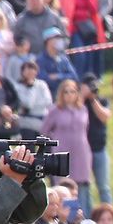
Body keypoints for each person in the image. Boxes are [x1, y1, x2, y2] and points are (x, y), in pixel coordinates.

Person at [41, 80, 93, 212]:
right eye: (66, 92)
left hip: (81, 153)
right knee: (62, 187)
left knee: (82, 188)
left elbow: (86, 129)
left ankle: (82, 219)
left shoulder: (83, 109)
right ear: (61, 94)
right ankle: (63, 218)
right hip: (62, 152)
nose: (69, 95)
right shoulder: (54, 110)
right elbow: (44, 130)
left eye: (72, 92)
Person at [59, 0, 105, 79]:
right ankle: (77, 80)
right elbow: (68, 9)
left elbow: (94, 10)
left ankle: (89, 82)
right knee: (80, 56)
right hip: (75, 28)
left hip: (88, 29)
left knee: (90, 56)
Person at [79, 74, 112, 205]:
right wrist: (82, 95)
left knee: (104, 187)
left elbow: (104, 116)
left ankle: (108, 213)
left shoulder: (102, 101)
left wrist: (93, 100)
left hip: (99, 149)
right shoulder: (79, 102)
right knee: (84, 186)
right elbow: (74, 111)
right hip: (82, 150)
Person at [11, 58, 51, 139]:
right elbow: (28, 104)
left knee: (48, 147)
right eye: (27, 69)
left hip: (42, 120)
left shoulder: (42, 84)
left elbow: (48, 102)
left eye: (32, 68)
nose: (30, 72)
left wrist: (35, 106)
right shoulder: (17, 87)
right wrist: (30, 87)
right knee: (29, 147)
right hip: (27, 122)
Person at [36, 26, 78, 96]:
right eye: (57, 38)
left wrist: (58, 76)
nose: (60, 40)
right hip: (49, 95)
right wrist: (63, 79)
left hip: (66, 94)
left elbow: (74, 76)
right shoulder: (40, 60)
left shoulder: (64, 58)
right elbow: (43, 79)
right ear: (48, 41)